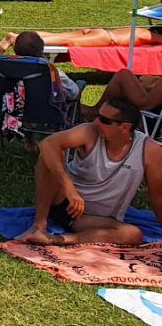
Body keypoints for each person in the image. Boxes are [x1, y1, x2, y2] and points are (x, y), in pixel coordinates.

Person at [15, 97, 162, 246]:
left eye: (105, 120)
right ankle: (39, 226)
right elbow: (47, 144)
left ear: (124, 128)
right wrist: (69, 189)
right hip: (62, 200)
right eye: (98, 115)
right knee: (48, 156)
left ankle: (59, 240)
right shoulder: (89, 131)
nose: (97, 122)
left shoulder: (149, 150)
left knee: (133, 234)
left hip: (91, 219)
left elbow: (157, 198)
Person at [0, 26, 162, 54]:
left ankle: (17, 36)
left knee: (61, 36)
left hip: (103, 33)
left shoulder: (140, 30)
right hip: (106, 38)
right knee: (64, 40)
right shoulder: (150, 35)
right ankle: (18, 37)